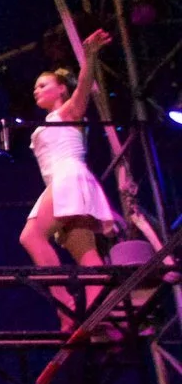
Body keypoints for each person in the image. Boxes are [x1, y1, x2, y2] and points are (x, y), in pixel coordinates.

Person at [21, 28, 118, 330]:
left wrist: (88, 58)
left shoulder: (66, 112)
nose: (36, 91)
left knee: (31, 236)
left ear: (60, 89)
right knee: (87, 255)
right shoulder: (53, 119)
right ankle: (100, 315)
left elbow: (83, 90)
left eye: (43, 85)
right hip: (61, 185)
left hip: (68, 177)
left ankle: (65, 308)